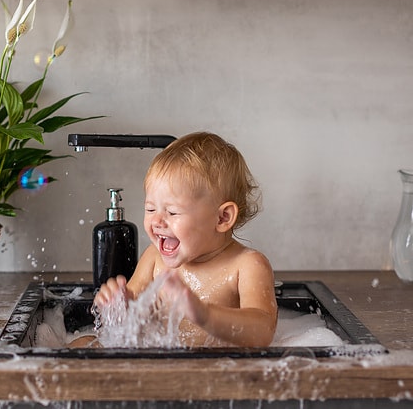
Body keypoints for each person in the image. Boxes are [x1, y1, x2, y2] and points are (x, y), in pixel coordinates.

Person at [93, 132, 278, 347]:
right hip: (158, 365)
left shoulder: (246, 266)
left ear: (222, 217)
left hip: (219, 372)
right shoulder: (154, 258)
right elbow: (131, 319)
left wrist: (205, 315)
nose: (157, 221)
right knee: (84, 343)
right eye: (150, 208)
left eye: (172, 212)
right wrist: (118, 305)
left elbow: (263, 332)